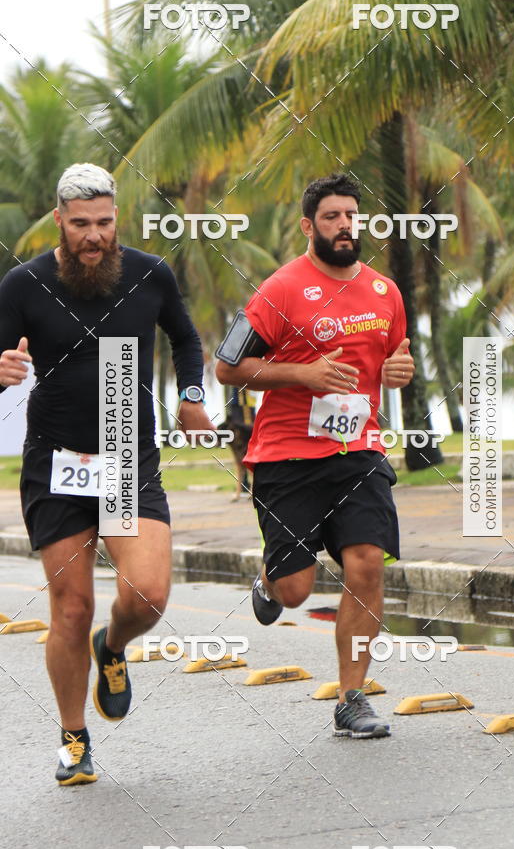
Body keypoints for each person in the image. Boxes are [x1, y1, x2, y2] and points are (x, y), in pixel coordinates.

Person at [0, 163, 213, 784]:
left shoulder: (149, 274)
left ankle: (113, 646)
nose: (94, 236)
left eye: (104, 223)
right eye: (81, 224)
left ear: (116, 218)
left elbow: (187, 338)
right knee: (69, 608)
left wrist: (194, 393)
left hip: (126, 451)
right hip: (56, 459)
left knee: (147, 594)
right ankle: (73, 739)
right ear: (60, 222)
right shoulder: (22, 284)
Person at [216, 173, 414, 738]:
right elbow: (227, 368)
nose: (345, 225)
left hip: (359, 451)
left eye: (351, 215)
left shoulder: (384, 292)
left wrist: (399, 374)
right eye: (332, 217)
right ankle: (269, 581)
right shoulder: (280, 290)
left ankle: (352, 698)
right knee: (297, 589)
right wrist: (300, 373)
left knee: (366, 564)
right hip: (287, 457)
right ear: (309, 226)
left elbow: (394, 362)